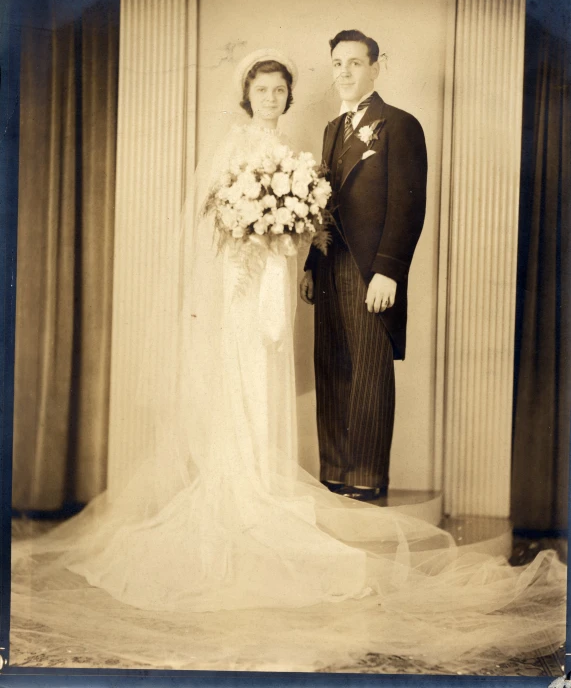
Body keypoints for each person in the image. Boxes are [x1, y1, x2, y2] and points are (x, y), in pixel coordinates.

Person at [10, 48, 565, 674]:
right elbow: (208, 216)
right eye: (262, 90)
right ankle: (242, 488)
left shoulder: (309, 152)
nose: (271, 98)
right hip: (243, 288)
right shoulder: (240, 144)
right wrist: (247, 226)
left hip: (279, 284)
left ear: (290, 96)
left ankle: (278, 480)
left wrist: (291, 226)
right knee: (243, 379)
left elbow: (325, 220)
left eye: (279, 90)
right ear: (247, 94)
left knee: (278, 383)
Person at [300, 29, 427, 501]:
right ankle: (334, 472)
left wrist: (389, 270)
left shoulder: (400, 124)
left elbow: (408, 206)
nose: (344, 72)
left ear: (376, 66)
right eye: (337, 63)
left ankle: (366, 477)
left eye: (355, 63)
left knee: (370, 371)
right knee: (330, 367)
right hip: (331, 265)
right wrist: (313, 263)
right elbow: (323, 204)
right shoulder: (333, 130)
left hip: (371, 269)